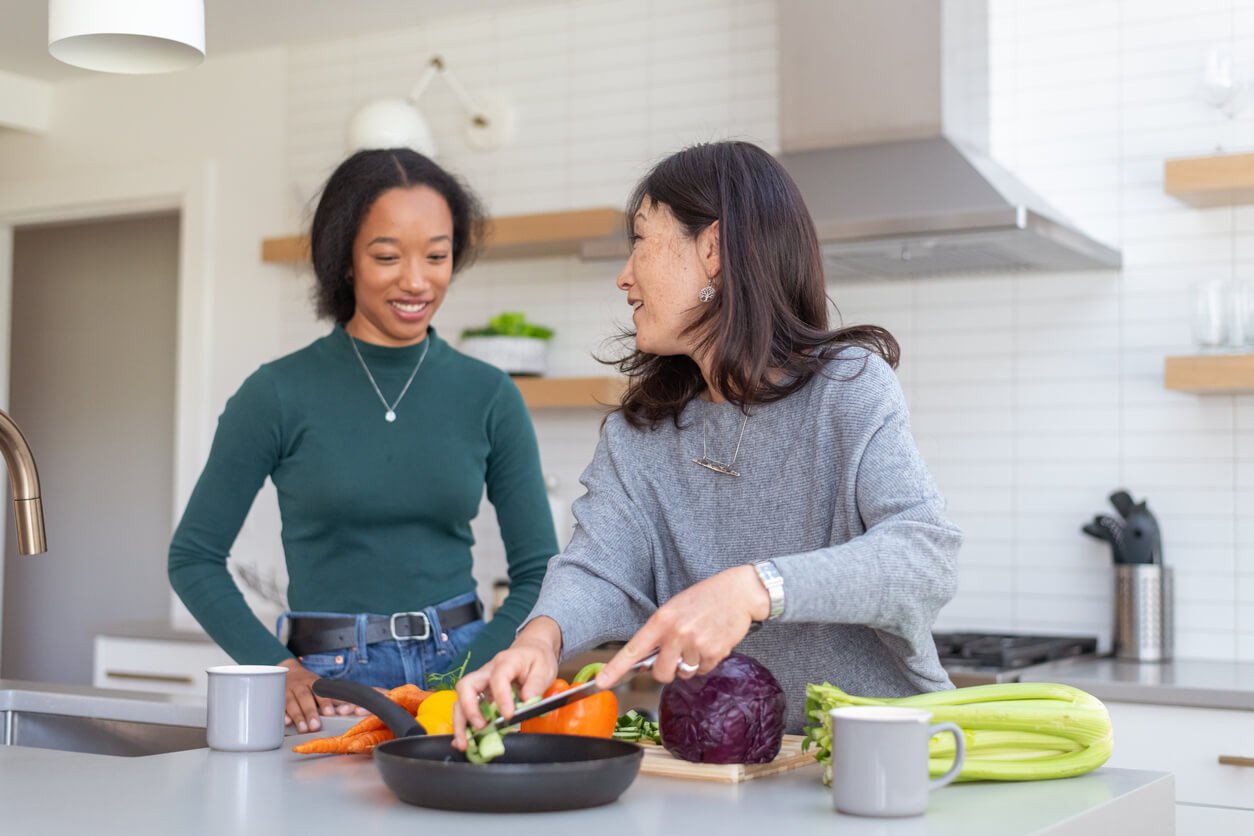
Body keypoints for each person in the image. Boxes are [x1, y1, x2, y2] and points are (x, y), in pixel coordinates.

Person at [453, 141, 961, 743]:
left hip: (878, 758)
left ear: (713, 250)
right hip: (733, 764)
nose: (624, 274)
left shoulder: (846, 388)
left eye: (640, 240)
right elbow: (599, 570)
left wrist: (755, 589)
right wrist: (541, 636)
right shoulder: (639, 433)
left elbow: (924, 558)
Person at [170, 149, 558, 734]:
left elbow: (541, 572)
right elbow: (193, 559)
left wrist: (474, 674)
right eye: (386, 256)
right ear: (345, 259)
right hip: (329, 681)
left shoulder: (490, 394)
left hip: (462, 667)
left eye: (437, 255)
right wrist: (275, 669)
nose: (416, 280)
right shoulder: (275, 393)